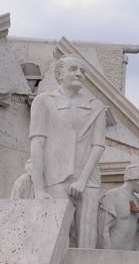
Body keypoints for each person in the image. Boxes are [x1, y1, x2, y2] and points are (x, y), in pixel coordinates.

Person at [29, 54, 107, 248]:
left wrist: (82, 180)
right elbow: (37, 143)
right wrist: (39, 189)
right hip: (56, 177)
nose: (79, 74)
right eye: (74, 69)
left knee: (86, 240)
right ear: (59, 73)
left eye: (83, 71)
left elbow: (98, 145)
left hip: (87, 179)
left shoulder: (95, 106)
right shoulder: (43, 101)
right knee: (56, 238)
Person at [98, 165, 139, 250]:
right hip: (113, 250)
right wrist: (106, 251)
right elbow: (103, 228)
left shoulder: (137, 202)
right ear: (134, 178)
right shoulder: (113, 195)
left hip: (130, 253)